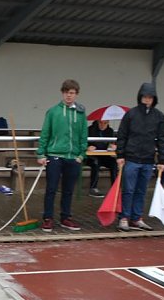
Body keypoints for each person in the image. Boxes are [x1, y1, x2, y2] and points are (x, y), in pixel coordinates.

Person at [36, 79, 88, 232]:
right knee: (51, 189)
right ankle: (48, 218)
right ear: (62, 93)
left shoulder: (81, 113)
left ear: (76, 94)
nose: (69, 96)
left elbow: (84, 135)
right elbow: (45, 133)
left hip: (73, 157)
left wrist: (81, 155)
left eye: (72, 93)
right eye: (66, 92)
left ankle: (66, 217)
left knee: (68, 190)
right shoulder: (53, 112)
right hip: (54, 155)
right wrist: (41, 153)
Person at [116, 83, 164, 232]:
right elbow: (122, 135)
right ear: (140, 97)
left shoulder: (159, 116)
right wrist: (120, 155)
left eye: (150, 97)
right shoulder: (131, 114)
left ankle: (136, 218)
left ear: (154, 99)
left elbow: (161, 139)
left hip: (148, 159)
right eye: (144, 97)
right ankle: (124, 217)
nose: (147, 100)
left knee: (141, 191)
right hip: (131, 158)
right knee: (128, 190)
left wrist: (162, 160)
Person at [86, 119, 119, 197]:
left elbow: (112, 143)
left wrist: (113, 146)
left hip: (104, 156)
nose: (103, 125)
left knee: (114, 163)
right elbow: (83, 142)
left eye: (105, 123)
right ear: (97, 122)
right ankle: (93, 188)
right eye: (101, 122)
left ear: (108, 123)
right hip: (91, 156)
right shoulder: (89, 130)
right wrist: (87, 147)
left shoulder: (110, 131)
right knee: (96, 162)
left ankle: (115, 188)